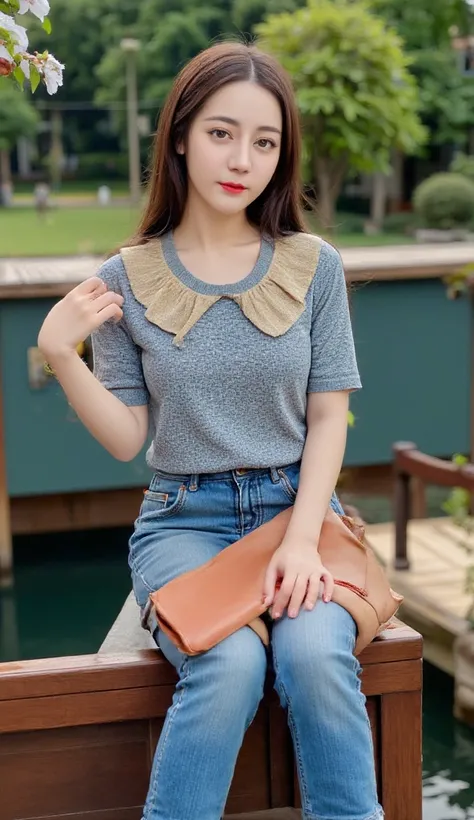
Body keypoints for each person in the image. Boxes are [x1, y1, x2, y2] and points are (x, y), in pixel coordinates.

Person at [37, 40, 383, 820]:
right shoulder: (128, 278)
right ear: (182, 136)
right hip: (182, 520)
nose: (243, 159)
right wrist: (62, 351)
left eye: (266, 142)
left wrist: (301, 537)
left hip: (297, 511)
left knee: (315, 655)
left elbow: (329, 416)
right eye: (223, 133)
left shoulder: (313, 265)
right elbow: (128, 437)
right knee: (224, 664)